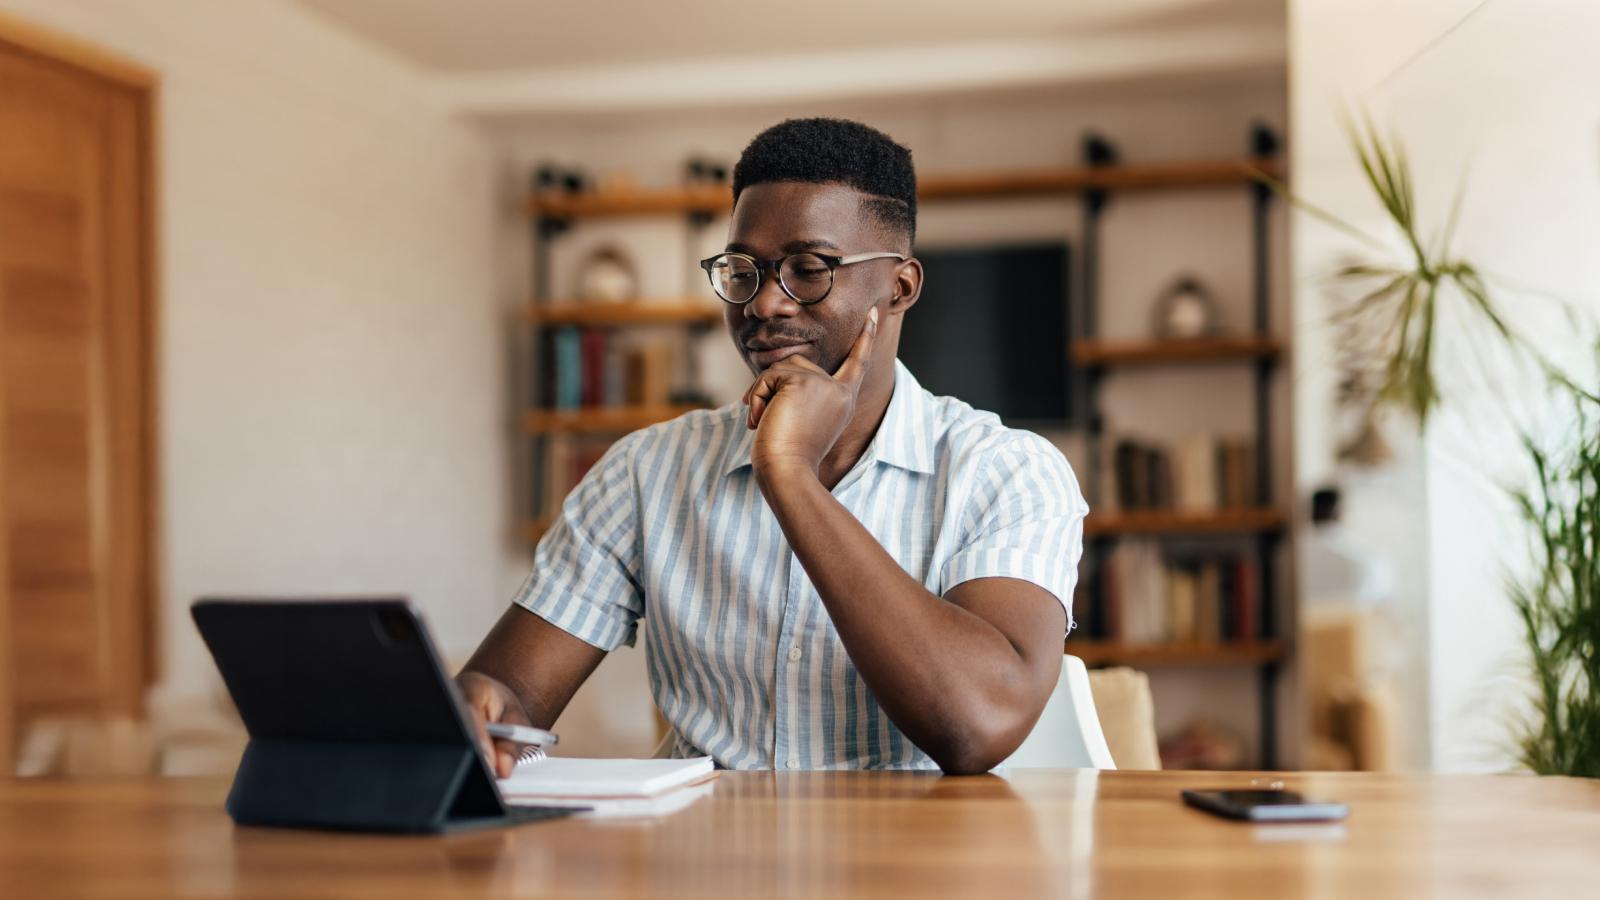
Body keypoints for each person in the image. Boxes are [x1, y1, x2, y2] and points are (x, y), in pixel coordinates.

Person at [459, 118, 1088, 775]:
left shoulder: (1007, 471)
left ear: (899, 287)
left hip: (914, 866)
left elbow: (979, 725)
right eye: (743, 270)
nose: (763, 304)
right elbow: (514, 700)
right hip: (703, 863)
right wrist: (487, 710)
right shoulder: (648, 471)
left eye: (808, 270)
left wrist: (790, 476)